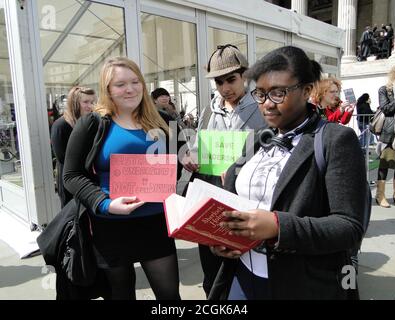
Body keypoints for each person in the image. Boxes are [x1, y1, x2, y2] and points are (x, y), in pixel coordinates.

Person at [208, 46, 367, 300]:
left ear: (306, 91)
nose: (267, 104)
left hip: (300, 283)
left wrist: (278, 227)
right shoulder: (257, 139)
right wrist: (220, 238)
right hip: (242, 274)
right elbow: (231, 201)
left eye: (278, 93)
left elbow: (349, 227)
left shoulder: (336, 140)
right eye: (260, 94)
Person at [63, 57, 181, 300]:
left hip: (155, 223)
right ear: (108, 89)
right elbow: (71, 175)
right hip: (110, 225)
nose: (130, 89)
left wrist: (187, 159)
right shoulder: (92, 124)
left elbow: (178, 166)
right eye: (120, 84)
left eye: (135, 81)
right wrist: (105, 204)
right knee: (121, 295)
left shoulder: (164, 120)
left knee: (170, 298)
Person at [183, 44, 266, 297]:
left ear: (245, 76)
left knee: (243, 265)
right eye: (219, 82)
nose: (225, 88)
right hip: (212, 197)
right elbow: (198, 147)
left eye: (231, 79)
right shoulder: (209, 109)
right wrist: (191, 157)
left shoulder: (264, 107)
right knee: (212, 267)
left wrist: (238, 169)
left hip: (248, 199)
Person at [51, 86, 96, 208]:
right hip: (69, 182)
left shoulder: (90, 123)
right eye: (85, 102)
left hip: (88, 180)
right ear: (75, 103)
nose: (90, 106)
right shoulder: (60, 126)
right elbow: (62, 158)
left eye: (92, 102)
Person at [375, 64, 395, 208]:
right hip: (390, 132)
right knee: (385, 163)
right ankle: (380, 195)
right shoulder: (385, 90)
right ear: (394, 74)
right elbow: (386, 109)